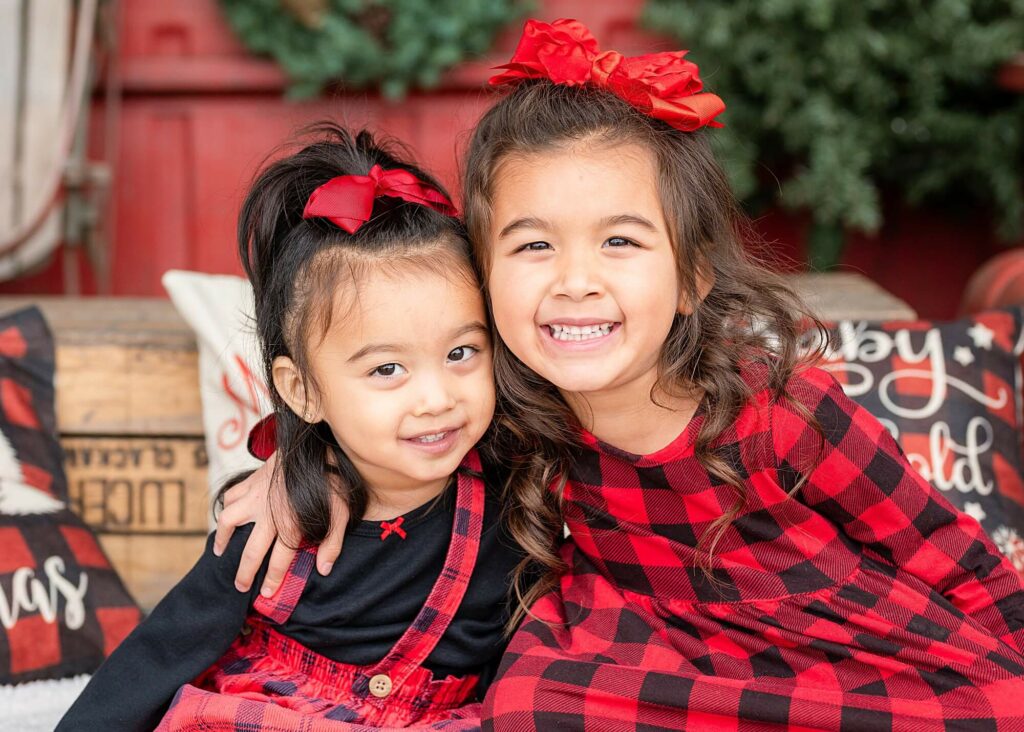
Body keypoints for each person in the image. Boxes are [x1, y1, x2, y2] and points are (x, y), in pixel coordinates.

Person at [216, 20, 1024, 731]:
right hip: (648, 650)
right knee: (531, 703)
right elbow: (399, 440)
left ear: (693, 274)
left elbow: (946, 550)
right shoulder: (513, 411)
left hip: (831, 648)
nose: (575, 281)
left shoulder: (781, 416)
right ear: (483, 278)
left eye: (620, 243)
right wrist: (302, 466)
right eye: (533, 246)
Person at [56, 125, 530, 731]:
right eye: (387, 369)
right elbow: (164, 650)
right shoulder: (275, 524)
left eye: (462, 353)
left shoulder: (515, 486)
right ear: (302, 391)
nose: (436, 398)